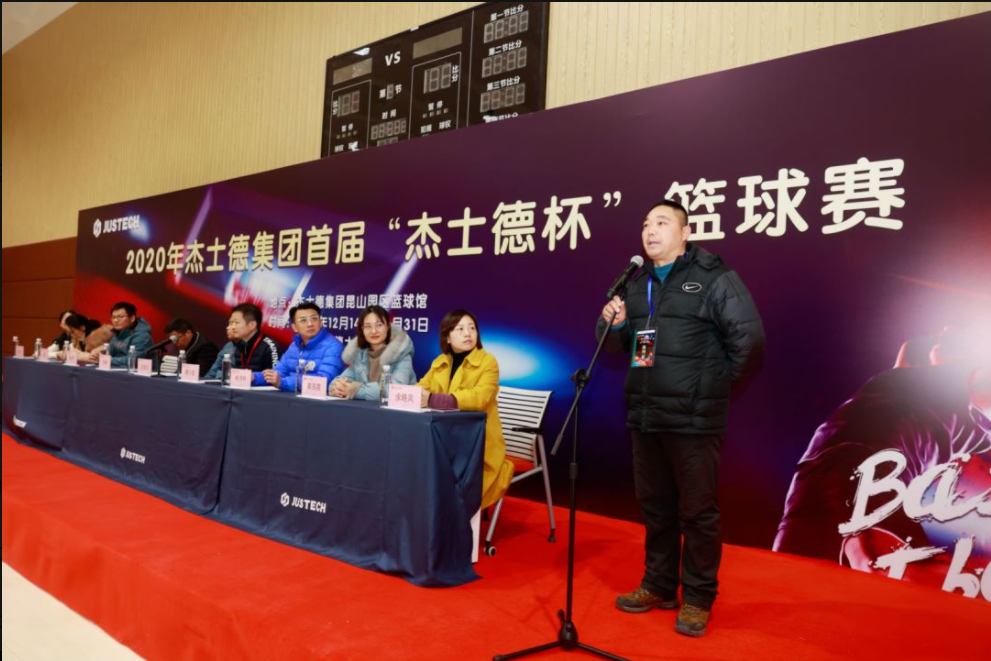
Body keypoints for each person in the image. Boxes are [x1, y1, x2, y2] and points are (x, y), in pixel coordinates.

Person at [597, 199, 764, 637]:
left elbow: (750, 340)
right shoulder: (636, 285)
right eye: (646, 224)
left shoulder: (713, 278)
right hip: (645, 414)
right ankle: (658, 585)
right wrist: (615, 324)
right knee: (656, 508)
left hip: (693, 420)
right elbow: (613, 346)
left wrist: (708, 387)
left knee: (697, 512)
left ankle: (698, 597)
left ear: (686, 232)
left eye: (662, 222)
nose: (650, 231)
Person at [417, 310, 514, 510]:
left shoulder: (488, 362)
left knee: (450, 483)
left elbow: (481, 397)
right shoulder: (440, 362)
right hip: (446, 438)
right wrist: (410, 394)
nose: (468, 333)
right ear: (447, 337)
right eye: (460, 329)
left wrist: (435, 399)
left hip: (476, 442)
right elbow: (421, 387)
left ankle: (450, 520)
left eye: (472, 328)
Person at [330, 305, 416, 400]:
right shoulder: (360, 354)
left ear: (388, 327)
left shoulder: (401, 354)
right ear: (362, 330)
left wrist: (355, 390)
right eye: (368, 326)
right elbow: (340, 380)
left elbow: (395, 391)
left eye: (379, 325)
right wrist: (337, 388)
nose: (374, 331)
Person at [258, 302, 344, 390]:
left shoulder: (333, 347)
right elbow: (278, 373)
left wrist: (284, 382)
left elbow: (323, 381)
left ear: (320, 322)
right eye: (303, 320)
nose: (310, 324)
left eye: (314, 319)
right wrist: (254, 378)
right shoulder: (294, 345)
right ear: (294, 327)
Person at [94, 302, 153, 368]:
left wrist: (108, 360)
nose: (116, 320)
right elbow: (110, 352)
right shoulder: (118, 333)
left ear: (132, 318)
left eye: (120, 317)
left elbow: (132, 360)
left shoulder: (142, 336)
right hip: (119, 370)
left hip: (140, 373)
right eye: (113, 317)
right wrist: (99, 355)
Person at [227, 303, 280, 373]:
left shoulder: (270, 347)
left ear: (252, 325)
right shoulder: (239, 345)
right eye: (231, 323)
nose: (233, 327)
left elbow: (275, 376)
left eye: (236, 322)